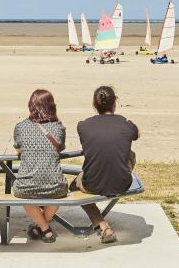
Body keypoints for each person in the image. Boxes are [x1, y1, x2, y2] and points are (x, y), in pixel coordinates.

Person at [70, 85, 139, 243]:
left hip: (92, 184)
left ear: (94, 105)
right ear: (115, 102)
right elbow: (136, 133)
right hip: (122, 183)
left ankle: (102, 225)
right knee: (130, 154)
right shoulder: (126, 124)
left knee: (74, 186)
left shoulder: (83, 125)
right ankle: (119, 173)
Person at [13, 89, 68, 243]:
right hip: (55, 185)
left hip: (26, 185)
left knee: (24, 195)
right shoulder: (58, 127)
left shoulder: (21, 127)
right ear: (52, 106)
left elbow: (18, 148)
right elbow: (60, 147)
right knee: (58, 194)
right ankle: (44, 228)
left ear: (31, 106)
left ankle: (43, 228)